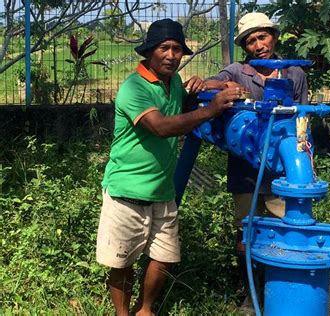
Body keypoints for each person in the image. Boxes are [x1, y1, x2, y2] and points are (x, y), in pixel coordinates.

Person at [95, 19, 241, 316]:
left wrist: (216, 84)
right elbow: (160, 127)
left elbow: (185, 94)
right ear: (150, 51)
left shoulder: (172, 82)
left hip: (163, 190)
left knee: (165, 256)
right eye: (165, 48)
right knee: (121, 263)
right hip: (126, 191)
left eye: (177, 49)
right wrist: (211, 110)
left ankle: (145, 310)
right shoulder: (133, 88)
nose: (172, 55)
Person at [205, 11, 309, 305]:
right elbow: (210, 83)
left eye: (262, 37)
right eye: (250, 41)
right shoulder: (238, 72)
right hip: (245, 166)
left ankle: (278, 290)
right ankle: (249, 292)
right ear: (245, 47)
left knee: (285, 225)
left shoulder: (294, 73)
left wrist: (302, 156)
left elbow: (302, 118)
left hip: (282, 167)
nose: (258, 45)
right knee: (246, 228)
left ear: (273, 37)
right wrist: (225, 87)